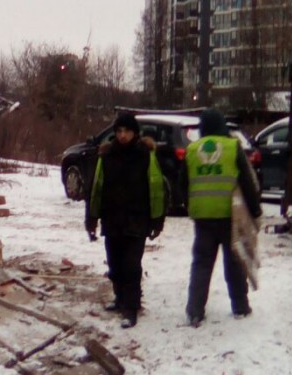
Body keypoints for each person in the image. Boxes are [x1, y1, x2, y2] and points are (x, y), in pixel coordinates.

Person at [85, 111, 167, 328]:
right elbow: (95, 189)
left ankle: (131, 308)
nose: (122, 135)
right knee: (114, 263)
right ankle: (120, 298)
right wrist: (91, 219)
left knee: (131, 265)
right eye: (119, 131)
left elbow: (157, 188)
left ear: (135, 133)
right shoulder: (107, 155)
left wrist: (157, 220)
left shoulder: (144, 155)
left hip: (137, 219)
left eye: (127, 131)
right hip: (112, 219)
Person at [184, 108, 262, 326]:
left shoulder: (192, 150)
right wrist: (255, 211)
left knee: (201, 263)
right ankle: (240, 307)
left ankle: (195, 310)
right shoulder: (232, 147)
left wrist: (190, 204)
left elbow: (184, 183)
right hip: (230, 217)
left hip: (203, 218)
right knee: (234, 262)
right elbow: (246, 181)